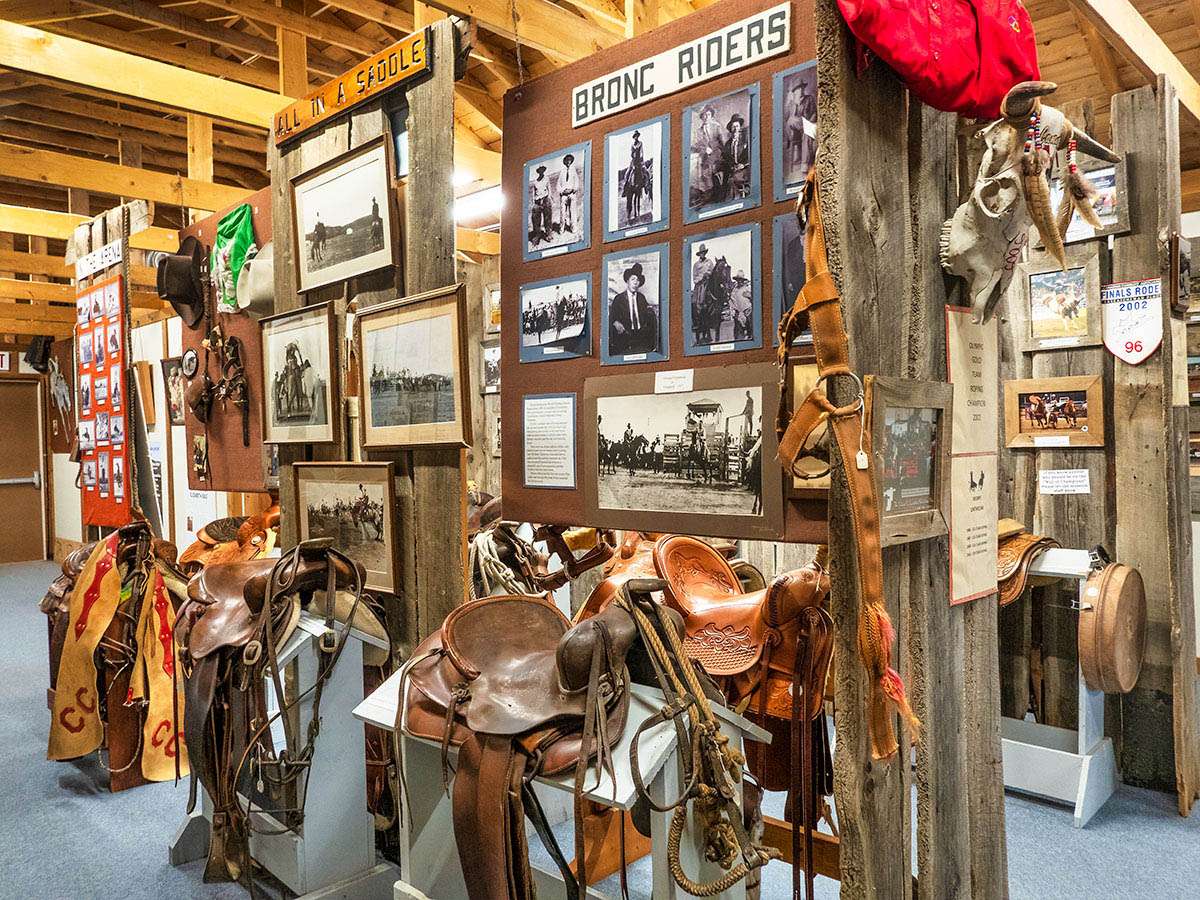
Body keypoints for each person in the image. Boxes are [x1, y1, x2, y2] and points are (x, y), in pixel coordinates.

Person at [609, 261, 657, 356]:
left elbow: (647, 316)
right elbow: (612, 317)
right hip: (625, 336)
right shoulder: (619, 299)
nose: (635, 282)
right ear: (627, 281)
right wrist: (615, 322)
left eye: (638, 280)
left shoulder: (641, 298)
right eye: (633, 279)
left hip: (640, 336)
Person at [691, 105, 724, 203]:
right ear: (702, 117)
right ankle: (709, 193)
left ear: (711, 116)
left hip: (717, 152)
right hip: (706, 155)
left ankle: (718, 192)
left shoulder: (716, 126)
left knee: (712, 169)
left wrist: (720, 152)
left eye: (708, 115)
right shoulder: (699, 131)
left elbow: (722, 142)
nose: (706, 117)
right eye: (704, 115)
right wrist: (705, 149)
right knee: (704, 172)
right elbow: (696, 145)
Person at [723, 113, 751, 199]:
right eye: (733, 127)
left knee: (735, 179)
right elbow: (726, 158)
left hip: (745, 168)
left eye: (737, 126)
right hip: (733, 169)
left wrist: (743, 164)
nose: (735, 129)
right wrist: (732, 166)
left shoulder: (746, 141)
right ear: (730, 129)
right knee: (728, 181)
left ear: (740, 128)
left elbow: (750, 155)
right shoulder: (728, 144)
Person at [622, 130, 647, 224]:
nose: (636, 137)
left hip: (640, 161)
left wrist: (640, 159)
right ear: (634, 137)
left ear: (638, 136)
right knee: (627, 173)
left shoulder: (641, 143)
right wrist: (633, 157)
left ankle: (646, 186)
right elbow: (631, 154)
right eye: (635, 136)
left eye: (637, 136)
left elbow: (641, 153)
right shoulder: (632, 145)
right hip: (633, 161)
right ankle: (625, 188)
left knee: (646, 173)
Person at [529, 165, 551, 245]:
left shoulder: (547, 178)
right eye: (539, 170)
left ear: (544, 171)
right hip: (537, 201)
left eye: (542, 170)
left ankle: (548, 234)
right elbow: (533, 192)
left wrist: (549, 199)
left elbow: (549, 189)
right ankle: (537, 235)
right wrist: (534, 201)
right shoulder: (535, 181)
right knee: (535, 219)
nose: (541, 171)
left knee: (547, 218)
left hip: (545, 200)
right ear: (538, 172)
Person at [558, 153, 580, 235]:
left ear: (571, 161)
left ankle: (573, 228)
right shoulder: (562, 172)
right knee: (562, 213)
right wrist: (562, 191)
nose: (568, 162)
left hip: (571, 194)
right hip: (564, 195)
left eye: (570, 160)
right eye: (567, 160)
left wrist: (574, 189)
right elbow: (558, 184)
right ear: (565, 161)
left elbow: (576, 181)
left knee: (572, 212)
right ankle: (561, 229)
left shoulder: (573, 170)